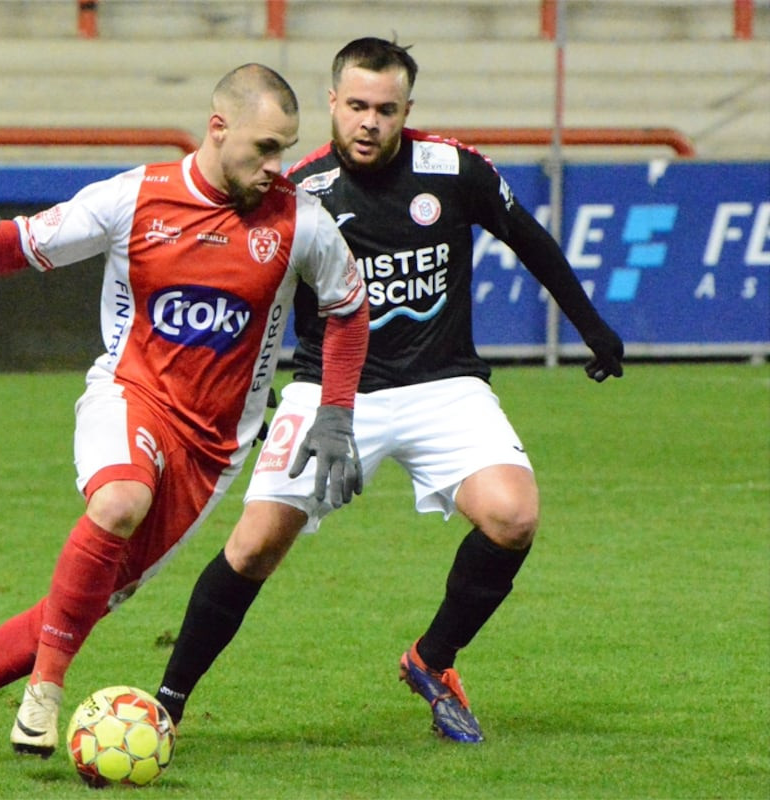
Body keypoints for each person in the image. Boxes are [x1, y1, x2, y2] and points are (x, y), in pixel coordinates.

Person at [0, 63, 370, 767]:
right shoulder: (133, 196)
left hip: (213, 452)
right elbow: (15, 250)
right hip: (129, 394)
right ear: (218, 126)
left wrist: (337, 414)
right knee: (118, 501)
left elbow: (350, 312)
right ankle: (45, 693)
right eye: (264, 148)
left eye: (285, 149)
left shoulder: (302, 223)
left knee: (85, 603)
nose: (276, 166)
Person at [154, 37, 625, 744]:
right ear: (332, 104)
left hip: (444, 384)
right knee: (254, 548)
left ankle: (432, 660)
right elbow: (250, 299)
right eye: (356, 107)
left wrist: (593, 328)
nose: (369, 122)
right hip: (329, 387)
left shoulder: (454, 171)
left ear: (407, 110)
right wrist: (246, 401)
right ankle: (167, 702)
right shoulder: (298, 192)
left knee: (513, 516)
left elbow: (529, 239)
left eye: (386, 109)